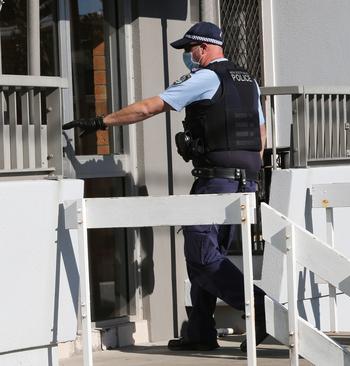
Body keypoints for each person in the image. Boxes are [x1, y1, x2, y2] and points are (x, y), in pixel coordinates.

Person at [62, 21, 268, 352]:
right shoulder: (248, 81)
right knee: (208, 252)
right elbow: (260, 135)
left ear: (203, 48)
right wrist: (251, 173)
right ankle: (201, 331)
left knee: (201, 253)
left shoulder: (205, 78)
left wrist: (99, 122)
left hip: (216, 180)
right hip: (245, 181)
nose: (187, 56)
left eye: (189, 50)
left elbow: (148, 108)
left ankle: (257, 307)